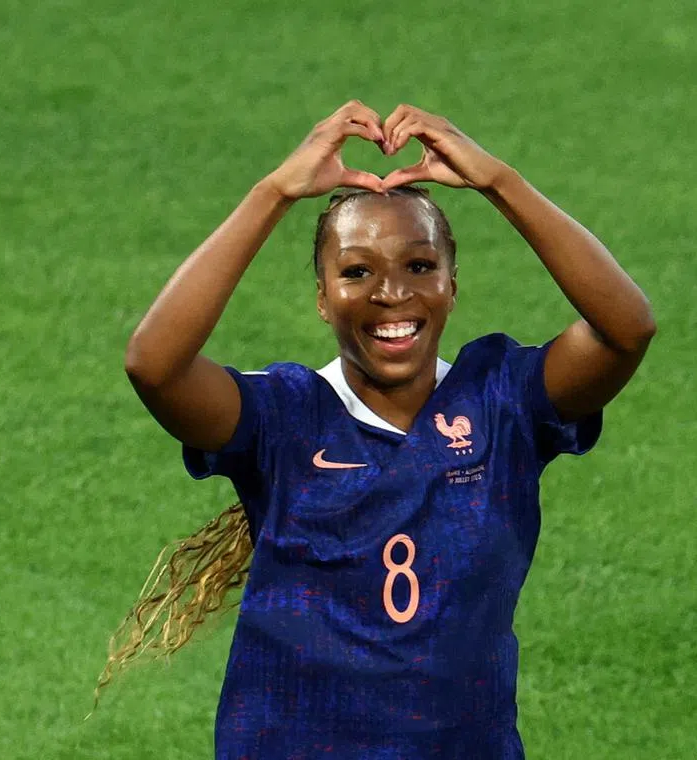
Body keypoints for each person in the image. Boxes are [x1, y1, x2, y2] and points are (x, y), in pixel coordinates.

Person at [100, 101, 656, 758]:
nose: (392, 293)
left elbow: (627, 330)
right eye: (357, 270)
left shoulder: (503, 400)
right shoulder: (283, 417)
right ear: (321, 295)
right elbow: (154, 366)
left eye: (420, 266)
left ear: (452, 285)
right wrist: (274, 192)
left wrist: (498, 182)